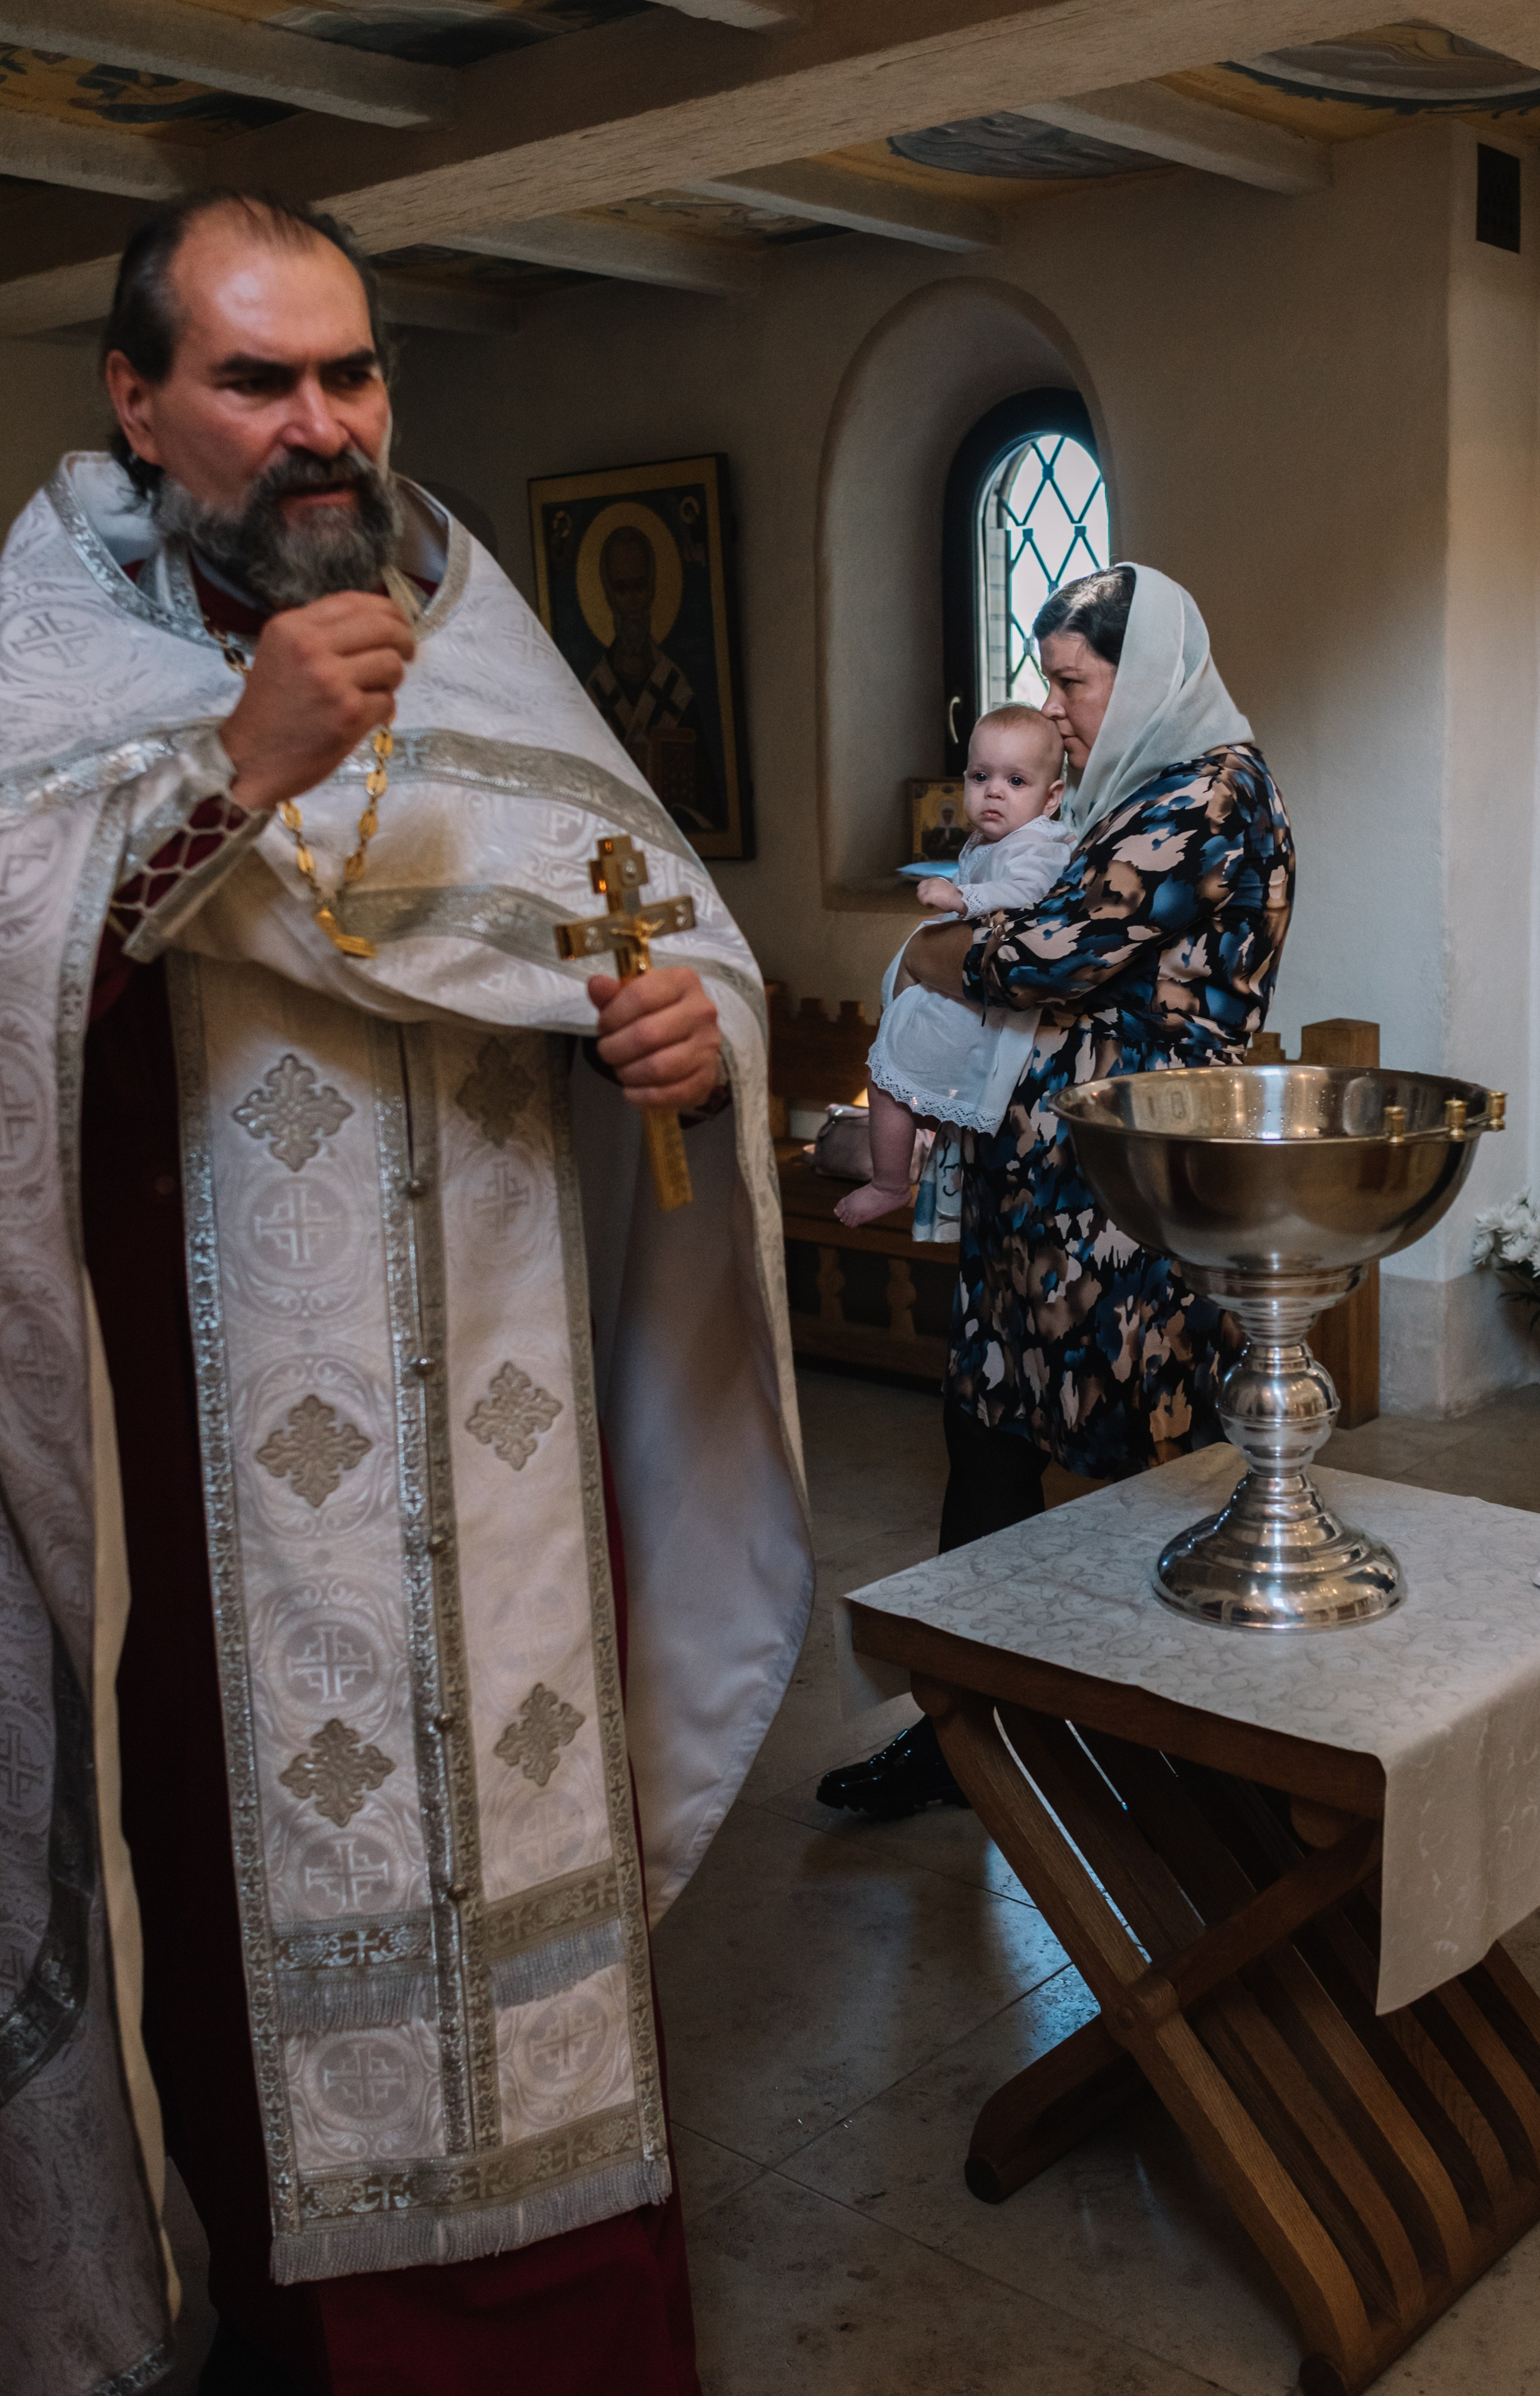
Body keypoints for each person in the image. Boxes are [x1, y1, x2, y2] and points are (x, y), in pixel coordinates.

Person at [0, 190, 812, 2396]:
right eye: (257, 381)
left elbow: (654, 918)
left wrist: (683, 1030)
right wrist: (232, 771)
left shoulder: (472, 623)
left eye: (349, 372)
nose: (320, 424)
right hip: (217, 1480)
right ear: (139, 401)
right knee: (240, 1939)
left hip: (518, 1473)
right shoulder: (53, 657)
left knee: (550, 1983)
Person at [819, 562, 1294, 1820]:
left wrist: (932, 950)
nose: (1056, 707)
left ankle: (1205, 1747)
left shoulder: (1209, 794)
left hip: (1136, 1195)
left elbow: (1050, 952)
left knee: (1158, 1463)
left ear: (1137, 677)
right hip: (1044, 1182)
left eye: (1071, 681)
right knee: (986, 1433)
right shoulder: (1128, 786)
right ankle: (965, 1735)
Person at [835, 704, 1067, 1228]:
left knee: (887, 1077)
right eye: (981, 776)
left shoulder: (1040, 844)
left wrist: (962, 895)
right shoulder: (993, 839)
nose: (994, 791)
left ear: (1051, 798)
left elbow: (1029, 891)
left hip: (985, 1007)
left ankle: (889, 1182)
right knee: (891, 1075)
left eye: (1016, 780)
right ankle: (902, 1163)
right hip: (966, 995)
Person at [584, 522, 717, 836]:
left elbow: (707, 806)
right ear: (608, 594)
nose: (631, 601)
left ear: (653, 589)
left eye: (639, 587)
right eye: (621, 589)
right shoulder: (594, 694)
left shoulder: (676, 691)